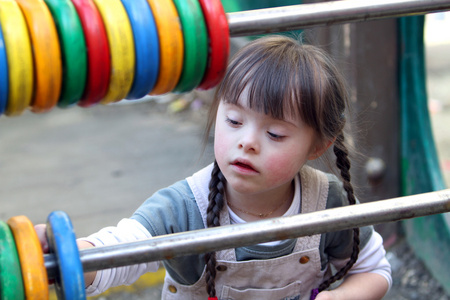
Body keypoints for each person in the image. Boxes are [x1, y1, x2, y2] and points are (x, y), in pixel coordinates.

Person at [36, 35, 391, 300]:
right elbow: (122, 250)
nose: (247, 141)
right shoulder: (182, 208)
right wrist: (72, 254)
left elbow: (374, 269)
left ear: (318, 145)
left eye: (275, 133)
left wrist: (339, 297)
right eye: (234, 120)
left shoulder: (327, 201)